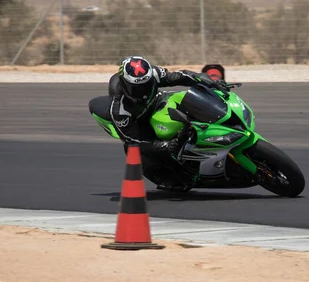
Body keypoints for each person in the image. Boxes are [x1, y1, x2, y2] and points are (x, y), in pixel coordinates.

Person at [88, 55, 229, 190]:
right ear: (125, 85)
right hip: (139, 121)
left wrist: (207, 80)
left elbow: (180, 76)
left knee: (187, 101)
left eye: (146, 85)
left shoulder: (153, 73)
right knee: (145, 151)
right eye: (137, 88)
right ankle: (170, 179)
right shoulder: (119, 110)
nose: (143, 91)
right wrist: (163, 145)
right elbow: (132, 141)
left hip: (157, 101)